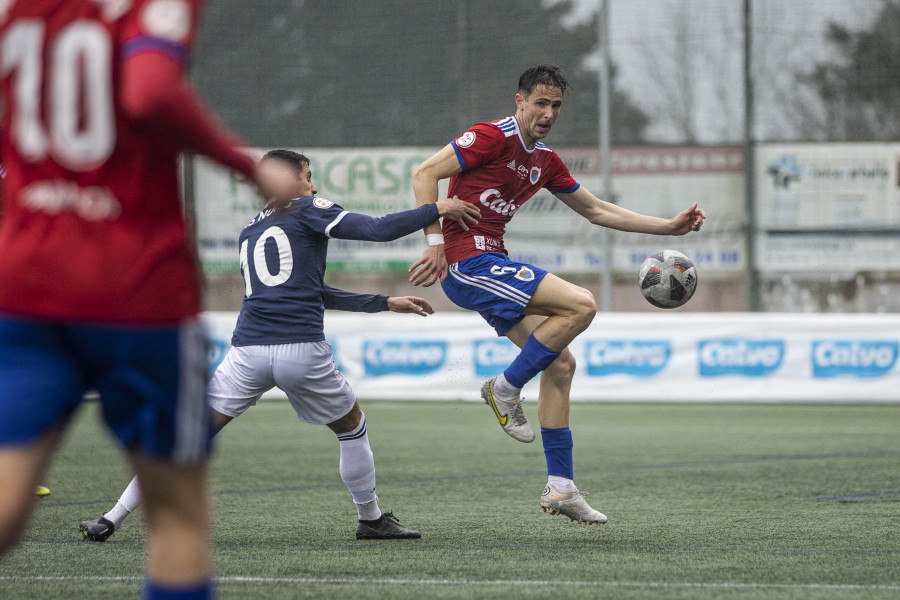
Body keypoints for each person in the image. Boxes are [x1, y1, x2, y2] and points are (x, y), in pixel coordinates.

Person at [0, 1, 269, 598]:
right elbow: (149, 91)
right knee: (175, 514)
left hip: (27, 280)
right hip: (134, 289)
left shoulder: (20, 10)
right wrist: (243, 165)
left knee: (7, 500)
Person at [79, 149, 481, 542]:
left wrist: (383, 302)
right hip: (301, 350)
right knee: (351, 427)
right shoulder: (307, 208)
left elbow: (308, 290)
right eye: (308, 175)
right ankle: (371, 519)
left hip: (247, 352)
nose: (314, 184)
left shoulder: (250, 228)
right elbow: (376, 229)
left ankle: (112, 516)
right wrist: (437, 208)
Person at [408, 65, 706, 526]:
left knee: (561, 363)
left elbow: (596, 209)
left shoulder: (544, 159)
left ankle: (561, 488)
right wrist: (433, 244)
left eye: (556, 106)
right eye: (540, 103)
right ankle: (504, 388)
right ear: (519, 101)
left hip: (492, 261)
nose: (548, 113)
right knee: (582, 303)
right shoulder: (491, 136)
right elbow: (424, 173)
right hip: (468, 263)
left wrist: (667, 226)